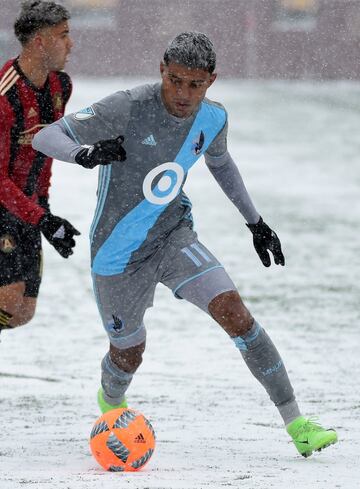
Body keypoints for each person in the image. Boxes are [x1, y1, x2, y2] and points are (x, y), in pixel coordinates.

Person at [33, 32, 337, 458]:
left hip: (174, 236)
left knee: (235, 312)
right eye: (175, 80)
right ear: (162, 70)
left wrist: (256, 223)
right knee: (129, 352)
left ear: (211, 80)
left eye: (195, 84)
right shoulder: (129, 105)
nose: (183, 93)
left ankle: (298, 424)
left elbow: (221, 163)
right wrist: (84, 153)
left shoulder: (212, 118)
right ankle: (112, 406)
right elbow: (46, 136)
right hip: (117, 256)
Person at [0, 1, 80, 333]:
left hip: (31, 206)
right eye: (63, 35)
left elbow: (46, 149)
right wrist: (43, 219)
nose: (70, 43)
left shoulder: (61, 86)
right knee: (7, 300)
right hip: (4, 203)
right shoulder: (5, 95)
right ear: (40, 41)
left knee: (22, 312)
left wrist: (43, 208)